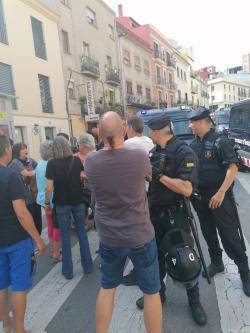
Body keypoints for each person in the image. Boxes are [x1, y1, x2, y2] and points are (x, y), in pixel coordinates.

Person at [85, 111, 162, 333]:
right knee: (151, 292)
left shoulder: (91, 161)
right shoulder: (139, 157)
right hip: (140, 234)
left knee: (107, 288)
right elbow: (148, 177)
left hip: (110, 237)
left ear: (99, 134)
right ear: (123, 131)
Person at [133, 114, 207, 326]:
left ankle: (194, 302)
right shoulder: (154, 152)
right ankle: (160, 295)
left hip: (176, 216)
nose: (149, 134)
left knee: (184, 259)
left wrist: (159, 176)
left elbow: (186, 188)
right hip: (153, 215)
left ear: (157, 132)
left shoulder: (184, 152)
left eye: (151, 131)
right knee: (155, 259)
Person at [189, 107, 250, 296]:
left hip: (220, 199)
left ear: (202, 122)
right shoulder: (193, 145)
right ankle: (217, 262)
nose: (190, 125)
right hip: (201, 199)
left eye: (193, 122)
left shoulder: (220, 141)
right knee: (208, 233)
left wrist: (222, 192)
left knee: (230, 237)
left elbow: (232, 169)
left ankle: (245, 273)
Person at [0, 134, 46, 333]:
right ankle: (19, 329)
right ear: (7, 150)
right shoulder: (10, 176)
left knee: (1, 285)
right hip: (16, 240)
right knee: (19, 286)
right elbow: (21, 213)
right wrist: (38, 239)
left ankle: (7, 323)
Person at [45, 136, 93, 279]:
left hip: (61, 204)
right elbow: (84, 176)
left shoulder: (51, 164)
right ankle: (88, 266)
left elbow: (48, 188)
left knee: (65, 237)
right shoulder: (76, 160)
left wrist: (48, 203)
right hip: (78, 202)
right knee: (82, 234)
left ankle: (68, 271)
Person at [122, 115, 154, 286]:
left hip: (135, 196)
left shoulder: (128, 145)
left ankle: (138, 270)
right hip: (150, 193)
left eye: (126, 127)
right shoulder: (150, 142)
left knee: (134, 236)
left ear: (131, 128)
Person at [36, 141, 61, 263]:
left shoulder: (39, 164)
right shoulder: (52, 164)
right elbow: (51, 186)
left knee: (50, 223)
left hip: (42, 199)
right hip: (52, 199)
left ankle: (53, 248)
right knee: (57, 226)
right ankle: (56, 253)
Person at [9, 143, 42, 235]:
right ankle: (33, 241)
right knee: (30, 221)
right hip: (25, 197)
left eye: (26, 148)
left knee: (38, 220)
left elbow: (39, 167)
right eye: (22, 149)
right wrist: (36, 172)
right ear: (17, 151)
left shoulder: (29, 160)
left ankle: (37, 238)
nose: (25, 150)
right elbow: (27, 174)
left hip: (34, 194)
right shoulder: (15, 162)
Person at [75, 133, 96, 230]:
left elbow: (95, 176)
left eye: (79, 144)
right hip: (91, 189)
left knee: (94, 207)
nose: (78, 146)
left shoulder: (91, 157)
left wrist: (82, 175)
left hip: (93, 189)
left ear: (84, 145)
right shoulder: (95, 154)